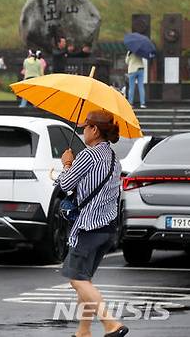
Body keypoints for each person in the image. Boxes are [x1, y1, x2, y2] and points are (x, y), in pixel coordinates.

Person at [57, 110, 129, 337]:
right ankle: (83, 331)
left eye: (85, 127)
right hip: (107, 227)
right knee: (84, 279)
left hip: (88, 227)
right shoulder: (113, 158)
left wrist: (67, 163)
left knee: (77, 280)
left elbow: (66, 183)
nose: (82, 131)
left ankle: (111, 324)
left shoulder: (88, 156)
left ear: (95, 130)